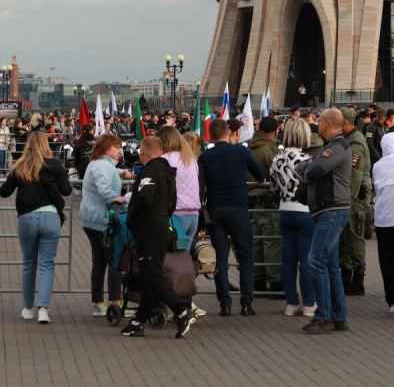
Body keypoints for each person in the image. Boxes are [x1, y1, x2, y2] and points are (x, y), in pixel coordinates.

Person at [119, 136, 196, 338]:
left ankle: (182, 311)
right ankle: (139, 320)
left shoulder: (151, 171)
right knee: (149, 276)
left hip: (150, 231)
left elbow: (144, 198)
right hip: (161, 228)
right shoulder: (167, 172)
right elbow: (172, 202)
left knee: (151, 275)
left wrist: (133, 218)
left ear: (142, 152)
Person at [0, 131, 72, 323]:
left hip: (26, 218)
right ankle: (43, 309)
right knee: (47, 265)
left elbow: (4, 192)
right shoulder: (55, 165)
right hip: (50, 217)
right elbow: (67, 190)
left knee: (29, 264)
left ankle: (28, 308)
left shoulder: (20, 166)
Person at [197, 117, 263, 316]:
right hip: (238, 208)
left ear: (211, 135)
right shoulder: (241, 151)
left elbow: (202, 184)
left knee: (221, 259)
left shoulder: (206, 157)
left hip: (216, 209)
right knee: (245, 257)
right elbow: (259, 176)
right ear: (227, 132)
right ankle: (246, 304)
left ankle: (224, 304)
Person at [300, 108, 352, 333]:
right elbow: (308, 167)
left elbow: (313, 170)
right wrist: (308, 167)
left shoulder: (337, 146)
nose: (316, 124)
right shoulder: (330, 146)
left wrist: (308, 167)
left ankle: (324, 315)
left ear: (329, 124)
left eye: (319, 121)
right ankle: (338, 316)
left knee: (316, 260)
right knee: (330, 265)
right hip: (327, 209)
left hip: (332, 209)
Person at [268, 118, 316, 318]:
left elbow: (272, 188)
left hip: (285, 210)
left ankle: (291, 303)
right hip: (305, 211)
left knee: (288, 261)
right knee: (306, 261)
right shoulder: (309, 159)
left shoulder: (276, 159)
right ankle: (309, 304)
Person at [80, 133, 124, 317]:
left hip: (91, 219)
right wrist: (122, 199)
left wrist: (122, 173)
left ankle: (98, 302)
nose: (119, 151)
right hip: (102, 220)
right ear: (107, 149)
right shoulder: (102, 166)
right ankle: (116, 302)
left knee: (99, 262)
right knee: (114, 261)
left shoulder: (98, 163)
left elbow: (106, 173)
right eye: (116, 147)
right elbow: (105, 189)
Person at [338, 108, 372, 297]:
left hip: (354, 200)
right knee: (345, 241)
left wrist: (345, 201)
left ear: (345, 123)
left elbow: (354, 177)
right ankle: (348, 280)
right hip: (351, 199)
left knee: (354, 241)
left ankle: (357, 282)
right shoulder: (351, 139)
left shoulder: (355, 143)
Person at [246, 116, 282, 294]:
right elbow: (277, 176)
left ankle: (257, 280)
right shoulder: (270, 151)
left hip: (253, 202)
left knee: (257, 243)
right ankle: (275, 282)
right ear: (274, 132)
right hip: (269, 203)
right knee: (272, 242)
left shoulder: (250, 147)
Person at [372, 131, 394, 313]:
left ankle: (393, 301)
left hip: (383, 220)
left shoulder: (378, 166)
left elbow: (376, 189)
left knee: (388, 263)